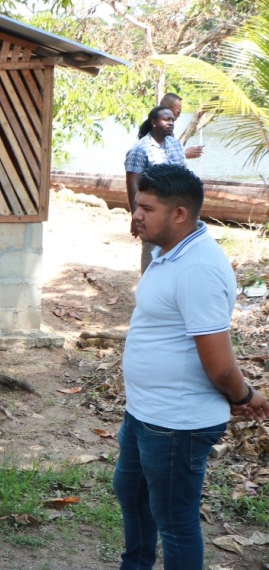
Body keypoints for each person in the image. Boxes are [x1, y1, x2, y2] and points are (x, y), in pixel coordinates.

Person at [115, 163, 269, 569]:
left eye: (146, 208)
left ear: (179, 213)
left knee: (175, 521)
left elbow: (218, 363)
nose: (136, 215)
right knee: (130, 493)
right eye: (137, 205)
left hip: (176, 423)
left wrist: (245, 396)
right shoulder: (168, 253)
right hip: (145, 412)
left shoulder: (198, 268)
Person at [126, 106, 187, 274]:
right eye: (166, 120)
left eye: (172, 120)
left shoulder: (175, 144)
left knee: (177, 250)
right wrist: (136, 215)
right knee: (152, 251)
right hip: (153, 210)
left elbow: (184, 173)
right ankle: (148, 292)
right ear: (154, 122)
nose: (170, 123)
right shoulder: (140, 149)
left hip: (176, 209)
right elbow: (132, 183)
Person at [137, 94, 204, 160]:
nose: (179, 115)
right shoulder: (155, 130)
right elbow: (157, 157)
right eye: (178, 112)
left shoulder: (168, 131)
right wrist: (184, 154)